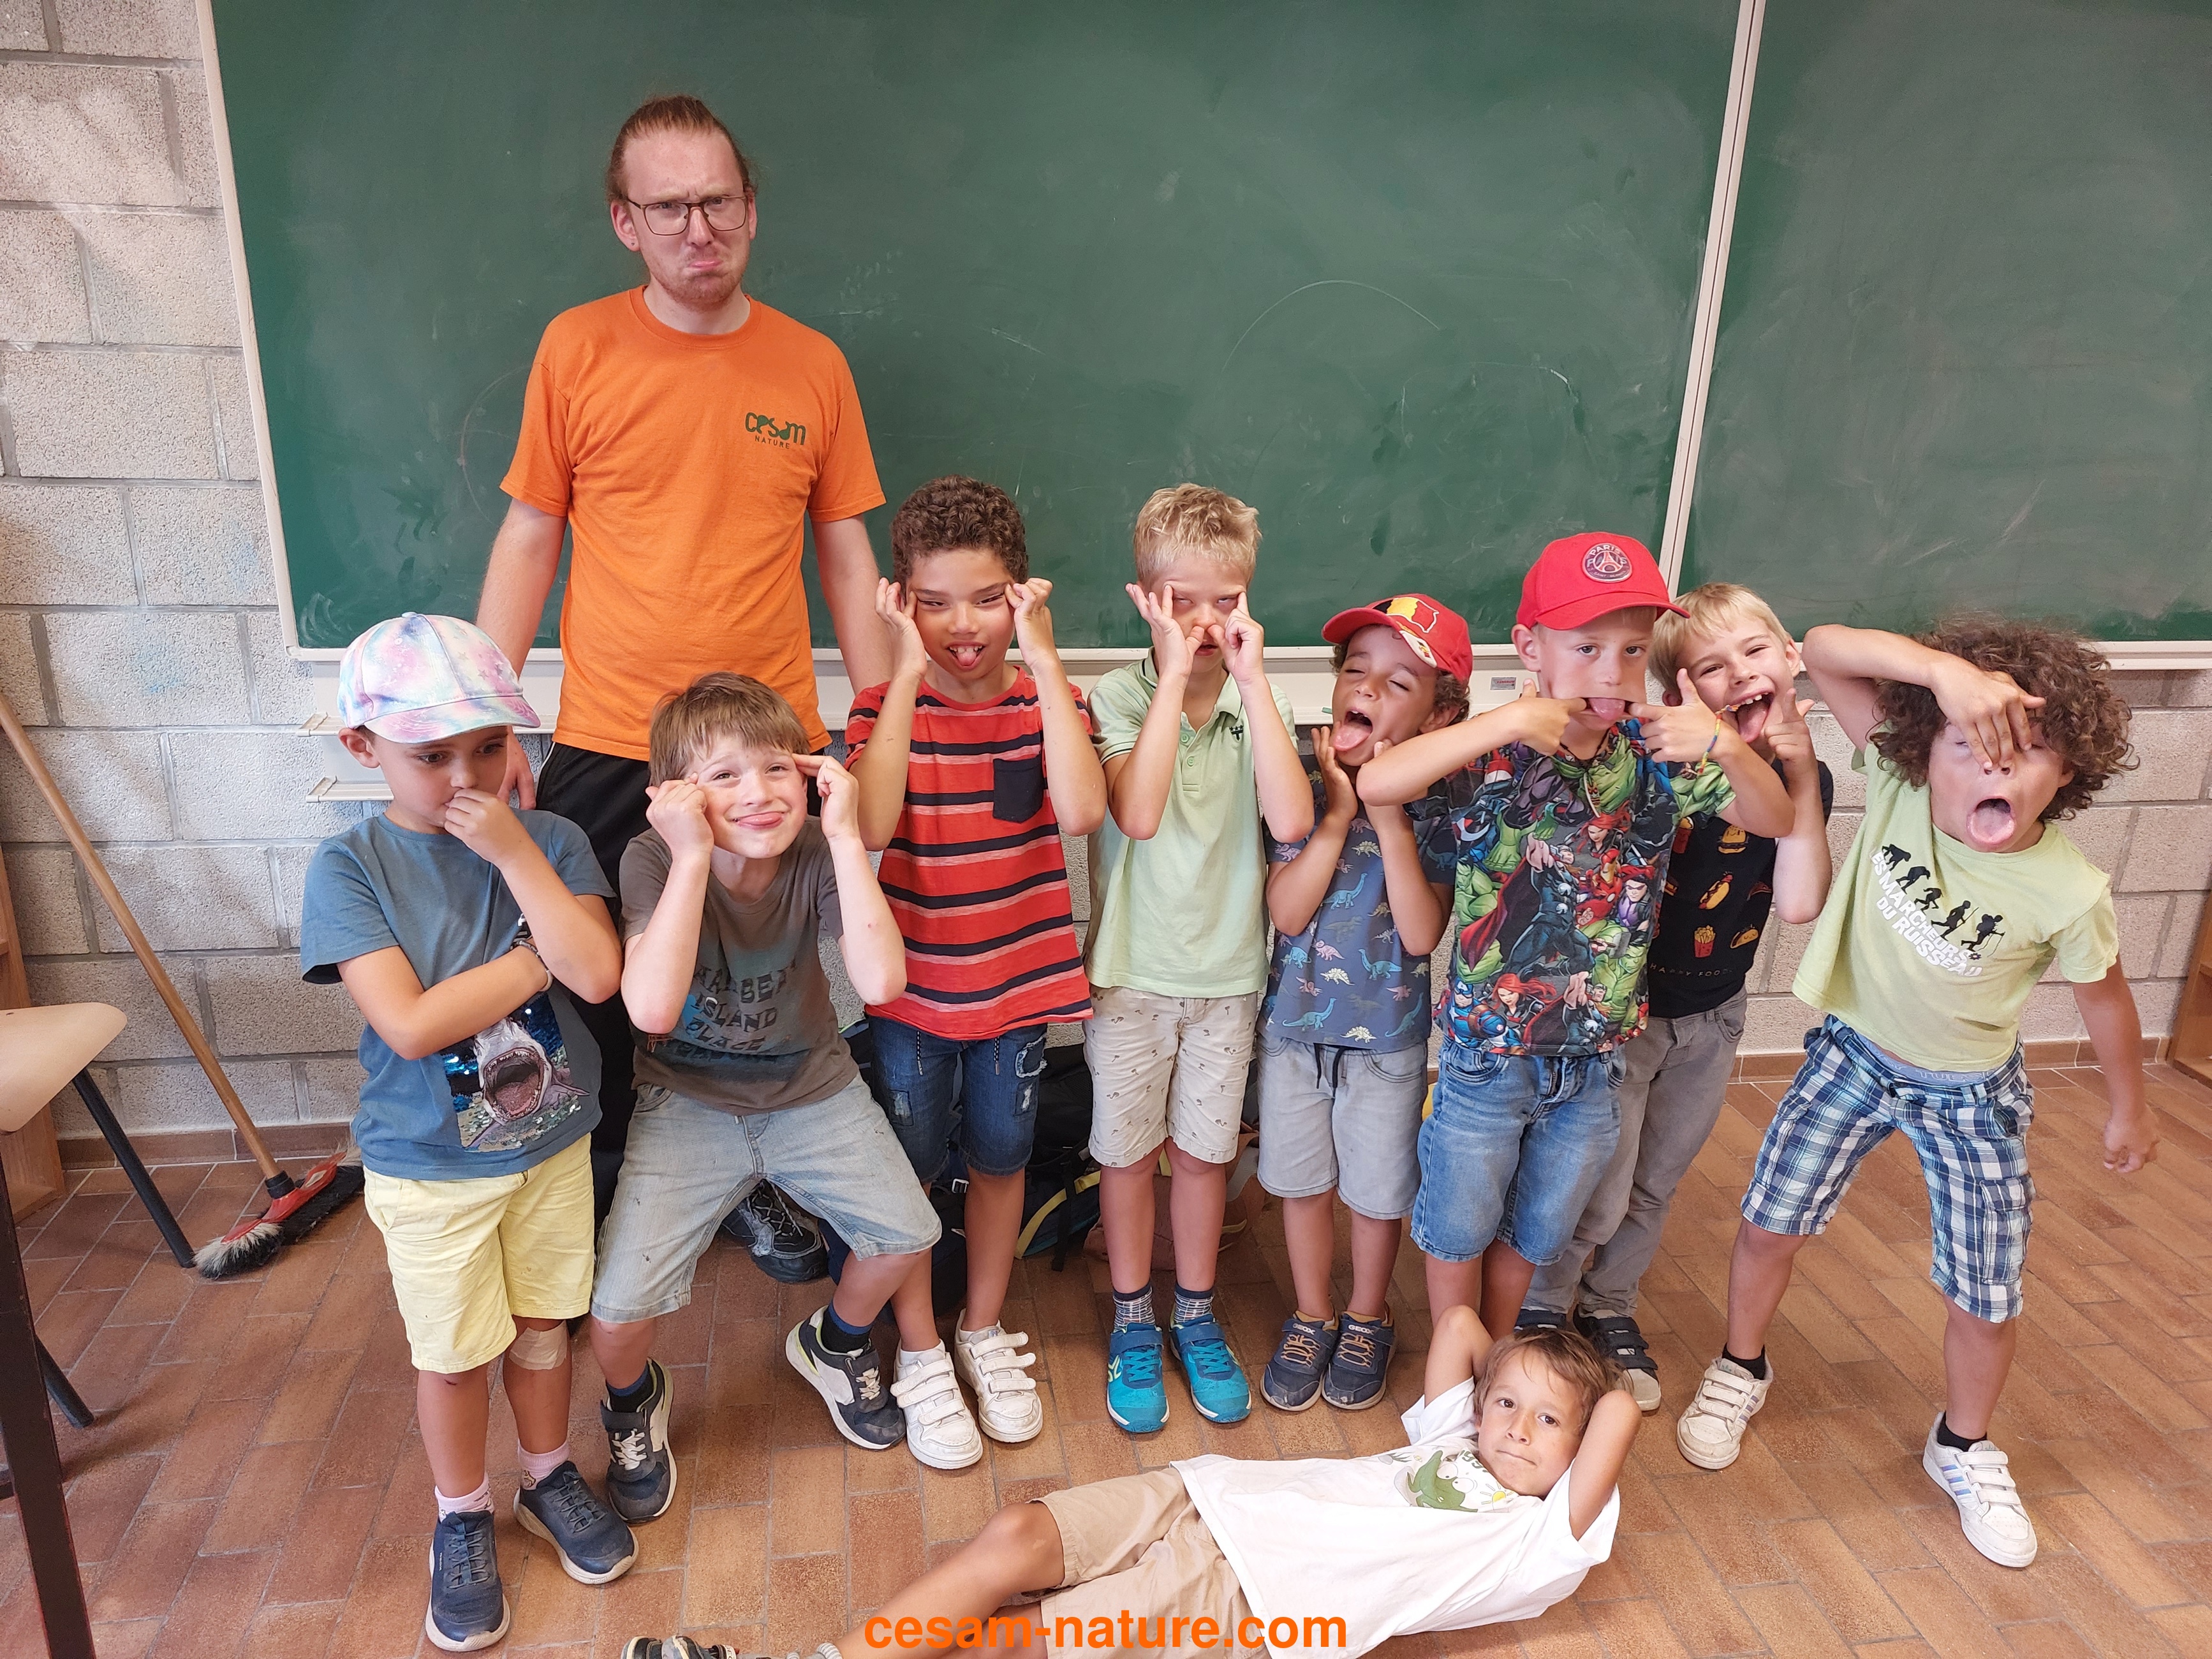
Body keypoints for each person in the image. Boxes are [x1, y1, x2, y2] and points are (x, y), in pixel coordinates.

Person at [477, 92, 893, 1208]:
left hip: (767, 752)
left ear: (751, 207)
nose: (697, 229)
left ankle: (759, 1190)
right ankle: (608, 1197)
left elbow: (846, 554)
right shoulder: (576, 347)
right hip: (614, 737)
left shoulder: (812, 364)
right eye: (668, 208)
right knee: (596, 986)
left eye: (717, 202)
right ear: (626, 222)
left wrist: (876, 717)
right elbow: (530, 534)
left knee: (761, 979)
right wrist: (488, 718)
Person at [1674, 618, 2158, 1569]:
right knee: (1771, 1222)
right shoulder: (1897, 785)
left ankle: (1963, 1445)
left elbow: (2105, 1001)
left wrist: (2128, 1105)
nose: (1994, 769)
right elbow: (1823, 647)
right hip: (1853, 1055)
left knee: (1986, 1292)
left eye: (2027, 755)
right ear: (1921, 751)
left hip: (1972, 1097)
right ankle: (1741, 1364)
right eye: (1969, 743)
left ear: (2069, 773)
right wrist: (1946, 676)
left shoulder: (2069, 890)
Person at [616, 1314, 1635, 1659]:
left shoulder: (1545, 1536)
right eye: (1506, 1405)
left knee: (1028, 1640)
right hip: (1211, 1495)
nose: (1516, 1429)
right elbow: (1458, 1326)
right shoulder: (1458, 1438)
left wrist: (1568, 1389)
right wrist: (1514, 1379)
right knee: (1016, 1536)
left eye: (1549, 1422)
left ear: (1581, 1445)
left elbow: (1622, 1407)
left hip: (1259, 1602)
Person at [300, 614, 635, 1651]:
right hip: (430, 1167)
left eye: (489, 746)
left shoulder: (555, 841)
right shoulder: (349, 866)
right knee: (452, 1357)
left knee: (543, 1329)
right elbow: (410, 1024)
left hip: (550, 1146)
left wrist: (517, 856)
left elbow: (599, 973)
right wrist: (532, 958)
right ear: (363, 747)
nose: (465, 776)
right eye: (431, 755)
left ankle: (546, 1475)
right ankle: (460, 1512)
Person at [1358, 535, 1794, 1334]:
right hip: (1488, 1055)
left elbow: (1775, 817)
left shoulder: (1658, 755)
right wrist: (1509, 718)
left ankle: (1499, 1355)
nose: (1611, 671)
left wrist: (1727, 744)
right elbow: (1379, 781)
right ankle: (1454, 1371)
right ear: (1531, 648)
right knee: (1457, 1229)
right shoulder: (1490, 752)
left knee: (1535, 1235)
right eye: (1586, 647)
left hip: (1595, 1062)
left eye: (1631, 651)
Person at [585, 674, 943, 1517]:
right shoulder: (651, 859)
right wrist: (690, 858)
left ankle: (834, 1341)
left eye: (778, 768)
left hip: (811, 1087)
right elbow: (651, 1010)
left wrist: (847, 838)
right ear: (676, 797)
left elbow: (882, 982)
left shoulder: (817, 850)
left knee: (907, 1234)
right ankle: (634, 1401)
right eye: (724, 776)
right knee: (617, 1312)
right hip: (688, 1102)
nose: (758, 793)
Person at [1519, 583, 1834, 1408]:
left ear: (1791, 656)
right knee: (1595, 1182)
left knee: (1656, 1180)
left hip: (1714, 1016)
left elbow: (1801, 900)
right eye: (1711, 667)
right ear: (1678, 690)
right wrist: (1713, 746)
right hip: (1625, 1017)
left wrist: (1798, 771)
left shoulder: (1799, 778)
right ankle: (1542, 1310)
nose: (1741, 675)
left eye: (1755, 652)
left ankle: (1609, 1304)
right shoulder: (1652, 762)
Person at [843, 477, 1107, 1459]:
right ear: (901, 603)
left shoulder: (1050, 702)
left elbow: (1081, 811)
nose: (963, 624)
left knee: (1002, 1160)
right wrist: (905, 674)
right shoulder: (881, 709)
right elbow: (873, 825)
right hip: (914, 1000)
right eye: (935, 601)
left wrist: (1046, 661)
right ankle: (919, 1346)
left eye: (989, 599)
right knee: (909, 1176)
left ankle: (981, 1326)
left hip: (1017, 994)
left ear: (1023, 597)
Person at [1082, 486, 1313, 1433]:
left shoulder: (1264, 698)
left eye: (1227, 600)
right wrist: (1174, 677)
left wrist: (1254, 687)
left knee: (1205, 1155)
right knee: (1127, 1155)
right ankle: (1134, 1318)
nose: (1208, 623)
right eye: (1183, 603)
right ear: (1146, 598)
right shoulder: (1117, 694)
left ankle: (1194, 1311)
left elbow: (1291, 820)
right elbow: (1136, 814)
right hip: (1132, 974)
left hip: (1226, 978)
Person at [1255, 594, 1472, 1413]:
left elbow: (1420, 933)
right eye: (1357, 671)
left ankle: (1366, 1315)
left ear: (1440, 717)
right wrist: (1341, 814)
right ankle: (1313, 1313)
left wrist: (1388, 817)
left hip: (1387, 1044)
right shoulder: (1300, 785)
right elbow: (1286, 913)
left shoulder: (1442, 801)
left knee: (1378, 1193)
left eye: (1399, 683)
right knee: (1301, 1183)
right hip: (1293, 1034)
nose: (1369, 689)